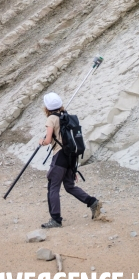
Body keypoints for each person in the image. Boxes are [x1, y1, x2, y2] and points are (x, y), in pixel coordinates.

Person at [39, 92, 101, 228]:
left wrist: (42, 142)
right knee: (69, 186)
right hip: (71, 156)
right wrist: (73, 169)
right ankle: (92, 202)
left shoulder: (51, 119)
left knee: (53, 187)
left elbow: (48, 140)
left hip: (60, 156)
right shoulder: (66, 117)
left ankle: (55, 219)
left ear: (47, 107)